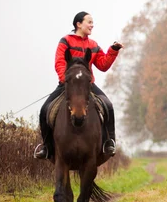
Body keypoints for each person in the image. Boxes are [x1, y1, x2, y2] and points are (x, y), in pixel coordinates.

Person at [34, 11, 123, 159]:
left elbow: (102, 65)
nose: (92, 25)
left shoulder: (93, 45)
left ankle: (109, 142)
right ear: (78, 24)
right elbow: (60, 63)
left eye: (92, 22)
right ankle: (46, 147)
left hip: (87, 85)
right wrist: (67, 80)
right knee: (44, 110)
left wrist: (113, 51)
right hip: (67, 84)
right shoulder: (65, 41)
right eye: (89, 22)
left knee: (108, 105)